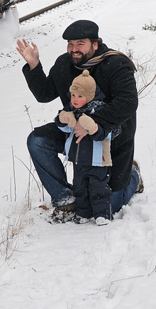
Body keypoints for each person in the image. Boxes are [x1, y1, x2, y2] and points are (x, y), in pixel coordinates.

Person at [16, 19, 141, 220]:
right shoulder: (64, 64)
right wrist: (34, 65)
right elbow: (45, 94)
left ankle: (133, 175)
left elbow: (128, 103)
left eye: (80, 44)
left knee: (111, 206)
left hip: (110, 140)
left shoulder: (116, 64)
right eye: (70, 44)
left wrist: (91, 124)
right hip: (76, 137)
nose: (74, 49)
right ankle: (65, 199)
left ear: (95, 44)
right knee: (37, 141)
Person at [55, 69, 114, 223]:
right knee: (80, 188)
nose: (75, 99)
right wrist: (63, 119)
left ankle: (102, 215)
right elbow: (65, 128)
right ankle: (83, 213)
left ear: (89, 96)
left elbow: (107, 133)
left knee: (98, 188)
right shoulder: (73, 111)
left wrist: (93, 127)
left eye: (80, 96)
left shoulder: (100, 111)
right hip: (79, 159)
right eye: (73, 95)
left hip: (98, 160)